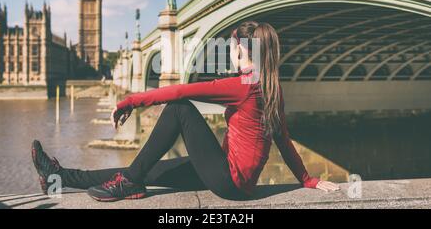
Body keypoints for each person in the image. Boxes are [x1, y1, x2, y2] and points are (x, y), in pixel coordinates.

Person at [31, 21, 339, 202]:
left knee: (180, 108)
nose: (229, 51)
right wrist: (306, 178)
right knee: (145, 169)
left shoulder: (242, 85)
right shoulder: (270, 86)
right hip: (229, 175)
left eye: (231, 46)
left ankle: (129, 182)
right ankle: (59, 175)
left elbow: (179, 91)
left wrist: (131, 101)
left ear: (242, 49)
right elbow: (283, 139)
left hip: (227, 180)